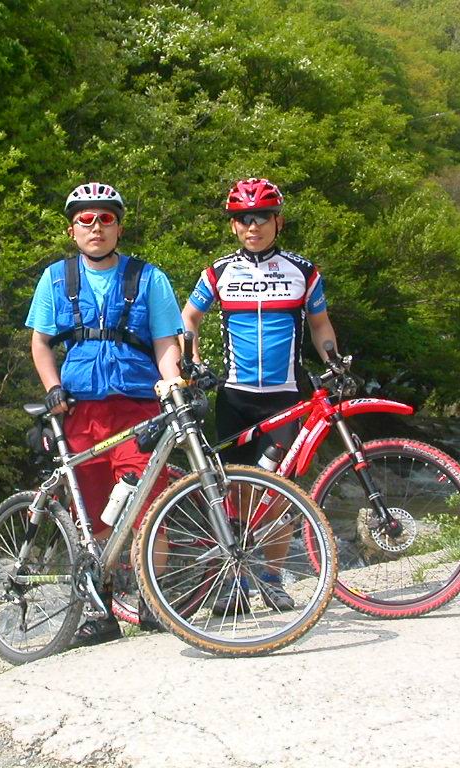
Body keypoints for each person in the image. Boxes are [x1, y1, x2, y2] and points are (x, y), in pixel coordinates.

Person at [25, 182, 182, 645]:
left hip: (138, 412)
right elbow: (40, 342)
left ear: (119, 227)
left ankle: (153, 604)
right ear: (72, 230)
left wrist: (173, 382)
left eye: (106, 219)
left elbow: (165, 341)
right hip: (80, 412)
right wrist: (52, 388)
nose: (96, 227)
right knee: (90, 513)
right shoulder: (56, 279)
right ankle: (101, 613)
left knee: (148, 508)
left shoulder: (148, 278)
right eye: (86, 220)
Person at [182, 177, 338, 615]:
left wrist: (334, 362)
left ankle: (270, 580)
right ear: (234, 226)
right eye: (244, 219)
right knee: (230, 493)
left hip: (285, 399)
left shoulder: (303, 271)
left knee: (277, 493)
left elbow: (320, 324)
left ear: (278, 222)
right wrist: (192, 360)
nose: (253, 226)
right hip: (234, 398)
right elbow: (189, 318)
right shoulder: (218, 272)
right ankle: (232, 583)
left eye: (262, 218)